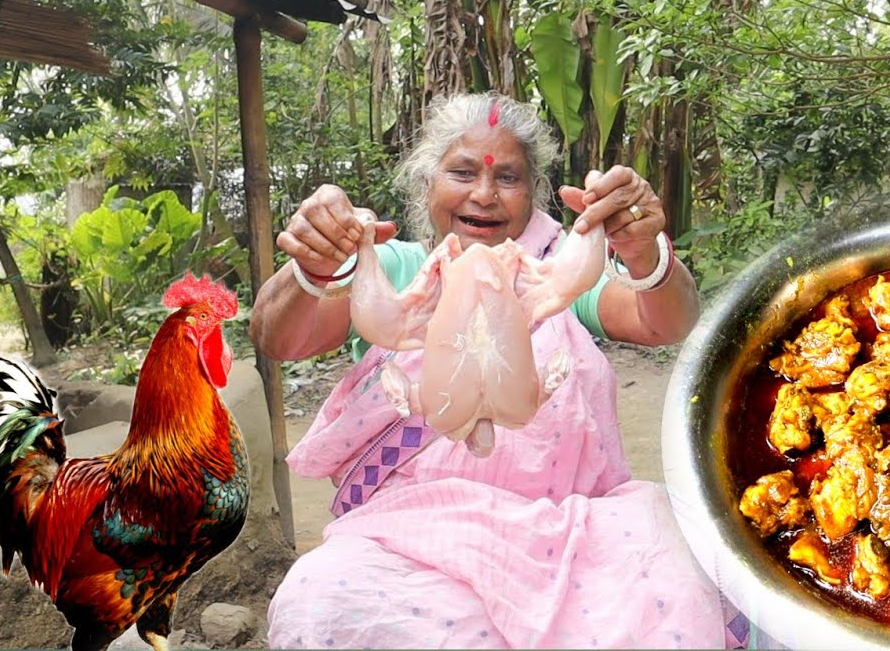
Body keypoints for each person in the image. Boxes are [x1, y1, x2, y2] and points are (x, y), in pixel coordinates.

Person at [253, 92, 747, 649]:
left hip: (566, 536)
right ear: (426, 184)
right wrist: (313, 270)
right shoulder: (397, 270)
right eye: (461, 172)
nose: (484, 195)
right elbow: (280, 339)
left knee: (701, 574)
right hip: (408, 541)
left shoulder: (553, 276)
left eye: (508, 178)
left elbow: (663, 323)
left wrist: (643, 253)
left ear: (532, 195)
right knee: (320, 600)